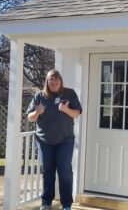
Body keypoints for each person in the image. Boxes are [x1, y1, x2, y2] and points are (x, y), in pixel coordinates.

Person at [26, 70, 82, 210]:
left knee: (65, 171)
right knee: (48, 171)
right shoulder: (40, 96)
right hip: (44, 141)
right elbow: (29, 117)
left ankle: (67, 204)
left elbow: (77, 113)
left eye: (56, 80)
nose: (54, 82)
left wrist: (66, 110)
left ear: (60, 81)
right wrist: (37, 112)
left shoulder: (69, 93)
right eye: (51, 80)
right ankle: (46, 202)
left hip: (65, 140)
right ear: (47, 81)